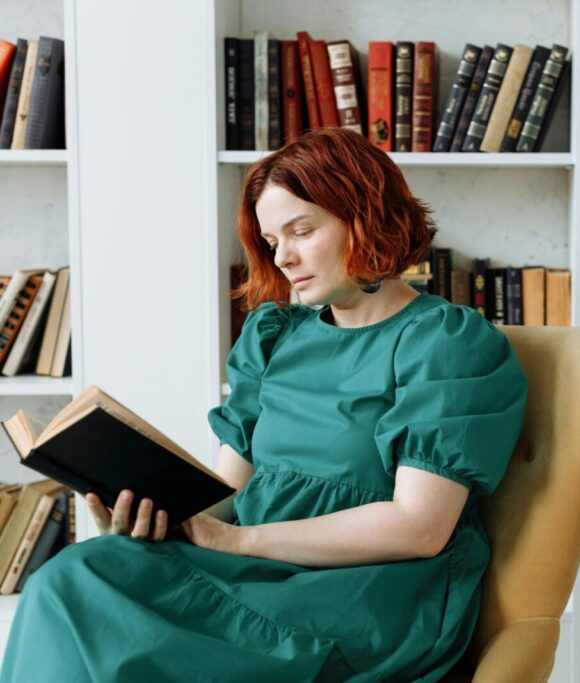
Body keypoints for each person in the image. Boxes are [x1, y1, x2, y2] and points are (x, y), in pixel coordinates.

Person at [0, 128, 528, 681]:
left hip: (367, 597)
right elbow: (224, 497)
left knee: (96, 608)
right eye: (274, 240)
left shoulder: (443, 342)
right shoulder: (274, 335)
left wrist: (235, 541)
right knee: (78, 573)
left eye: (302, 230)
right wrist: (150, 519)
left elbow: (419, 527)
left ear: (368, 216)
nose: (286, 257)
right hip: (250, 570)